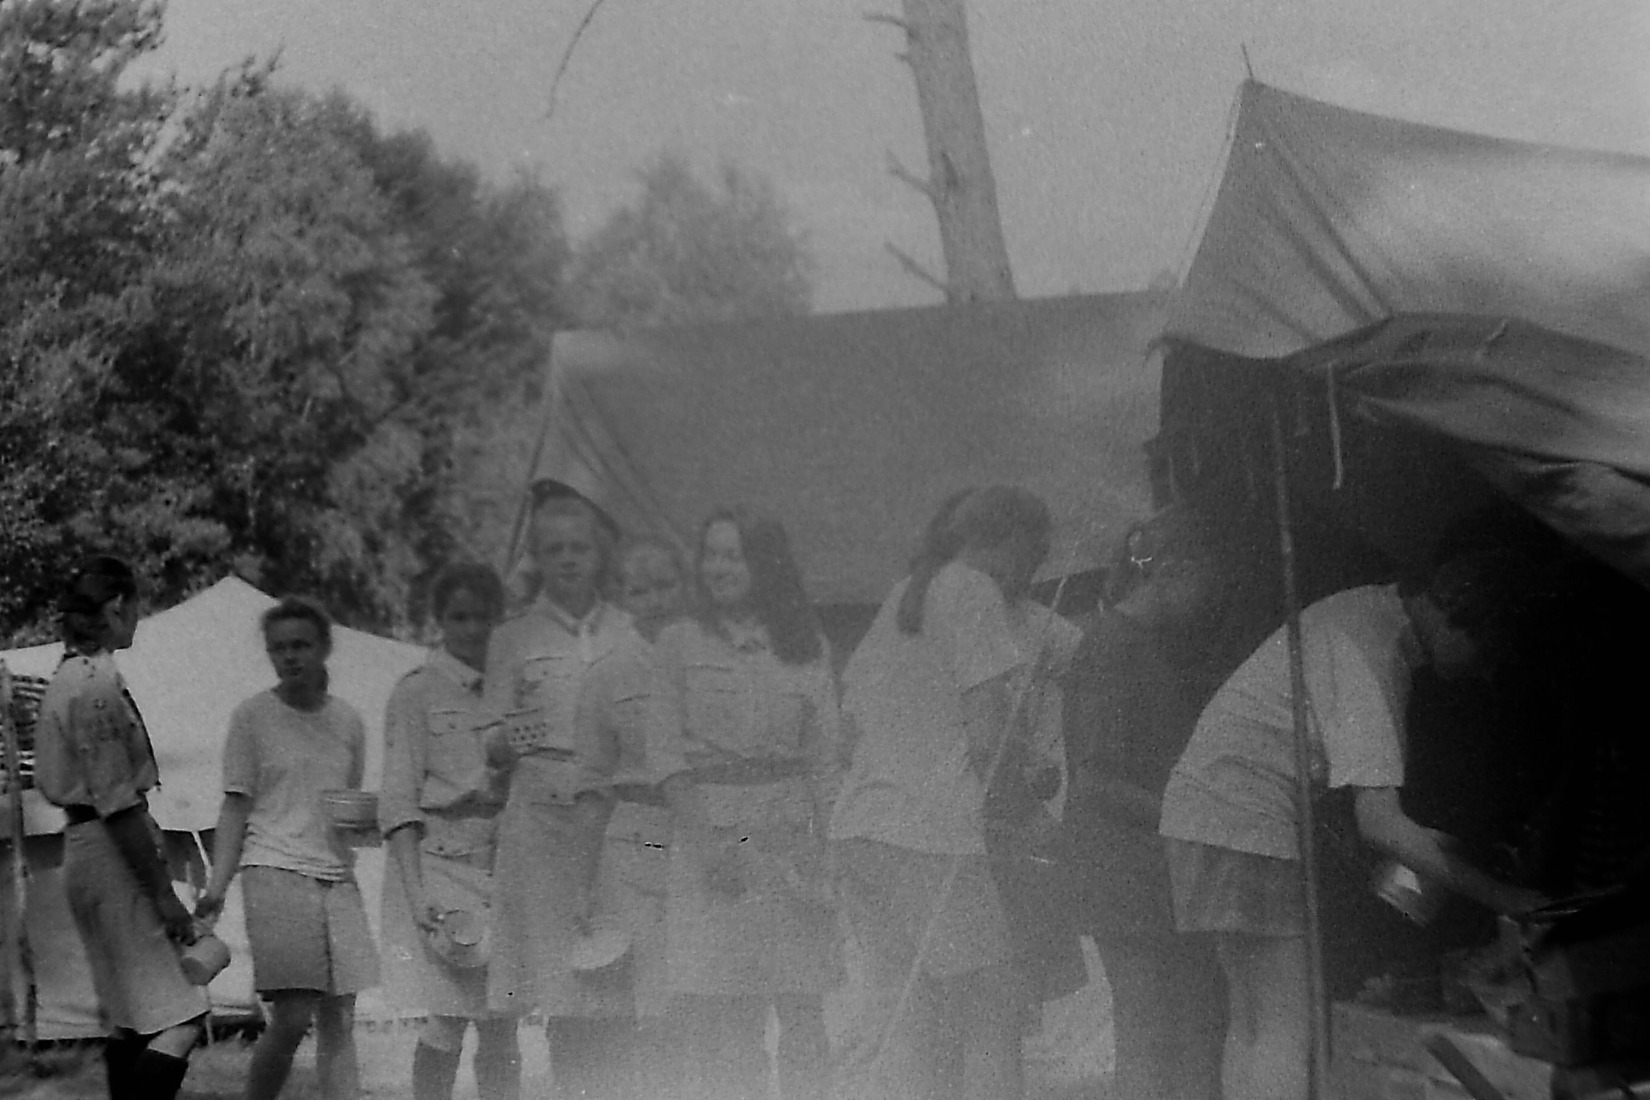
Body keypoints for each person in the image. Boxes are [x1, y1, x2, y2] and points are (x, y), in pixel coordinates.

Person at [1157, 549, 1553, 1100]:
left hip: (1204, 814)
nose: (1484, 671)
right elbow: (1381, 824)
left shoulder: (1365, 615)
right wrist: (1508, 898)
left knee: (1252, 1022)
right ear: (1461, 618)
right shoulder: (1374, 648)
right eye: (1487, 651)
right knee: (1285, 1026)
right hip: (1245, 819)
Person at [828, 485, 1068, 1100]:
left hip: (860, 830)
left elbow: (848, 732)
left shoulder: (905, 594)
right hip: (929, 837)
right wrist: (1031, 814)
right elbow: (989, 739)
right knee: (995, 1007)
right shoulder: (974, 590)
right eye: (1035, 556)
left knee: (910, 1016)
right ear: (1008, 541)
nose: (1033, 574)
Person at [645, 507, 842, 1100]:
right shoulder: (679, 642)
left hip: (789, 844)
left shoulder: (806, 647)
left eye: (733, 555)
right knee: (730, 1019)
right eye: (711, 555)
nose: (718, 568)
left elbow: (825, 760)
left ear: (766, 563)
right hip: (713, 843)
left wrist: (829, 853)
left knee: (803, 1009)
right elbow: (665, 758)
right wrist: (707, 847)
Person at [1058, 509, 1229, 1100]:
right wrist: (1185, 815)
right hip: (1123, 875)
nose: (1209, 601)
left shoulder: (1148, 645)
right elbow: (1092, 777)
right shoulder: (1111, 647)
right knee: (1149, 1028)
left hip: (1151, 872)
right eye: (1206, 582)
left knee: (1178, 1024)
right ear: (1174, 571)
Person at [34, 556, 208, 1100]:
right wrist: (163, 895)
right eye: (134, 607)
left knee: (130, 1019)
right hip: (112, 852)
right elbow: (118, 804)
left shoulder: (66, 677)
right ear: (115, 608)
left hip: (82, 847)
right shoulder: (96, 689)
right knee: (182, 1016)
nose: (137, 618)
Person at [483, 487, 637, 1099]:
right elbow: (489, 739)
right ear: (537, 559)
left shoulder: (630, 628)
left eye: (579, 548)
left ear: (600, 555)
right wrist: (517, 734)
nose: (569, 559)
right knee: (560, 984)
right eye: (554, 550)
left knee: (617, 972)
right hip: (543, 821)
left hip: (616, 813)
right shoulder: (512, 637)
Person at [197, 597, 380, 1100]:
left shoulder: (348, 721)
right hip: (273, 869)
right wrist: (216, 888)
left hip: (336, 876)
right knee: (294, 1015)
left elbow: (345, 804)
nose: (290, 657)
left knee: (341, 1016)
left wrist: (365, 822)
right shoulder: (252, 717)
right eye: (278, 648)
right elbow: (235, 806)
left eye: (301, 645)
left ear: (324, 648)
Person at [378, 564, 521, 1100]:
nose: (472, 629)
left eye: (484, 617)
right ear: (440, 621)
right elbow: (398, 799)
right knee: (448, 1016)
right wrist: (416, 895)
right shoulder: (416, 693)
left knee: (502, 1019)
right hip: (440, 864)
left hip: (502, 864)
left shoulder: (513, 690)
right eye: (459, 617)